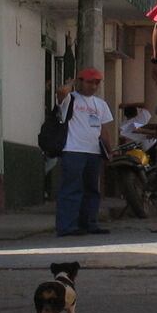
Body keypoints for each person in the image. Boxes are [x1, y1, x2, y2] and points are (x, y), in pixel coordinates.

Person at [53, 68, 113, 236]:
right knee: (71, 189)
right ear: (81, 82)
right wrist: (71, 83)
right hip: (73, 150)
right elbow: (60, 92)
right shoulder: (70, 99)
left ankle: (89, 223)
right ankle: (67, 226)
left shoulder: (100, 104)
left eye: (96, 82)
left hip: (93, 152)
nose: (93, 86)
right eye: (89, 82)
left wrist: (109, 150)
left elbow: (103, 130)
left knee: (92, 190)